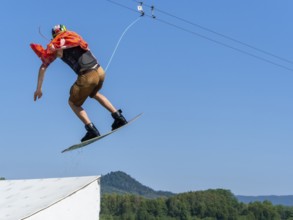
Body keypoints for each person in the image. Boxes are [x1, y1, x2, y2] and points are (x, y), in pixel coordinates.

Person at [31, 24, 127, 142]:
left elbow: (46, 65)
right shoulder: (74, 38)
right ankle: (118, 117)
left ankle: (91, 130)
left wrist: (39, 89)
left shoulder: (57, 44)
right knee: (94, 93)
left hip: (88, 75)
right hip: (100, 72)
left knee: (72, 103)